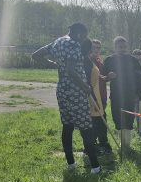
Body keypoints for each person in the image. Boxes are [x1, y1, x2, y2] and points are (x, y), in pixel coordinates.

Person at [32, 23, 101, 174]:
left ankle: (71, 164)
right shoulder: (74, 44)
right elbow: (71, 70)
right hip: (75, 91)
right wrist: (84, 86)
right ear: (79, 34)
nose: (84, 40)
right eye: (84, 36)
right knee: (86, 128)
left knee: (67, 126)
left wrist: (53, 64)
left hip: (62, 89)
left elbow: (35, 55)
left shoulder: (57, 42)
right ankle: (96, 167)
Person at [103, 36, 141, 150]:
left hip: (130, 95)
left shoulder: (132, 60)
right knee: (118, 118)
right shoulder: (109, 60)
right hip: (116, 95)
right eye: (120, 47)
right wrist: (108, 76)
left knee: (129, 119)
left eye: (125, 47)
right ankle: (122, 144)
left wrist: (138, 94)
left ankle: (128, 144)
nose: (123, 49)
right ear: (115, 47)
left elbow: (140, 77)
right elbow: (103, 76)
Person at [82, 38, 112, 154]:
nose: (96, 50)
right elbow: (86, 81)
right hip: (92, 97)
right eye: (94, 47)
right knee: (94, 122)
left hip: (101, 96)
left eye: (98, 48)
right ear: (89, 48)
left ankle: (103, 144)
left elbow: (101, 77)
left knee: (102, 121)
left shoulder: (99, 61)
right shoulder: (86, 62)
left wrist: (108, 77)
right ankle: (91, 147)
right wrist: (92, 99)